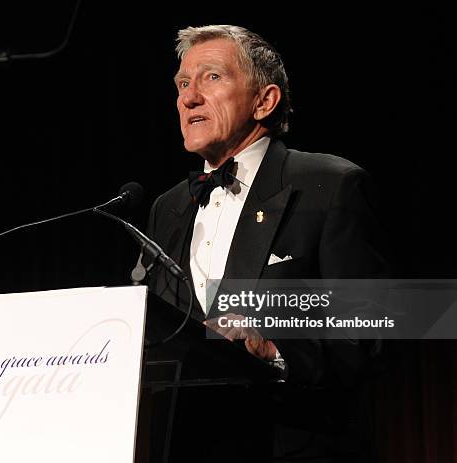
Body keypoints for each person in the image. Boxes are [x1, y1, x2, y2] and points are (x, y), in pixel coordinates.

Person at [136, 25, 386, 462]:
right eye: (182, 82)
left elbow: (376, 327)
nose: (188, 96)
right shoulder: (167, 208)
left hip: (290, 443)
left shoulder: (329, 186)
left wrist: (272, 347)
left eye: (211, 77)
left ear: (264, 101)